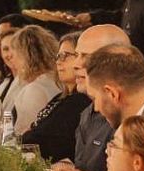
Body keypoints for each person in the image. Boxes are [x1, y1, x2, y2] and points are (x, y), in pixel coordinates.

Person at [50, 23, 130, 171]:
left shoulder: (130, 114)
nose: (76, 65)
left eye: (85, 56)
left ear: (115, 61)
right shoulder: (87, 112)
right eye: (77, 55)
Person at [20, 33, 91, 163]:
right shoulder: (61, 97)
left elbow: (38, 141)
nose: (58, 61)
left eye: (66, 55)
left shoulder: (79, 101)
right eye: (58, 56)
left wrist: (28, 134)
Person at [7, 26, 62, 136]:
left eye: (14, 55)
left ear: (25, 57)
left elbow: (27, 134)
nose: (11, 60)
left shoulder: (34, 90)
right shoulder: (58, 80)